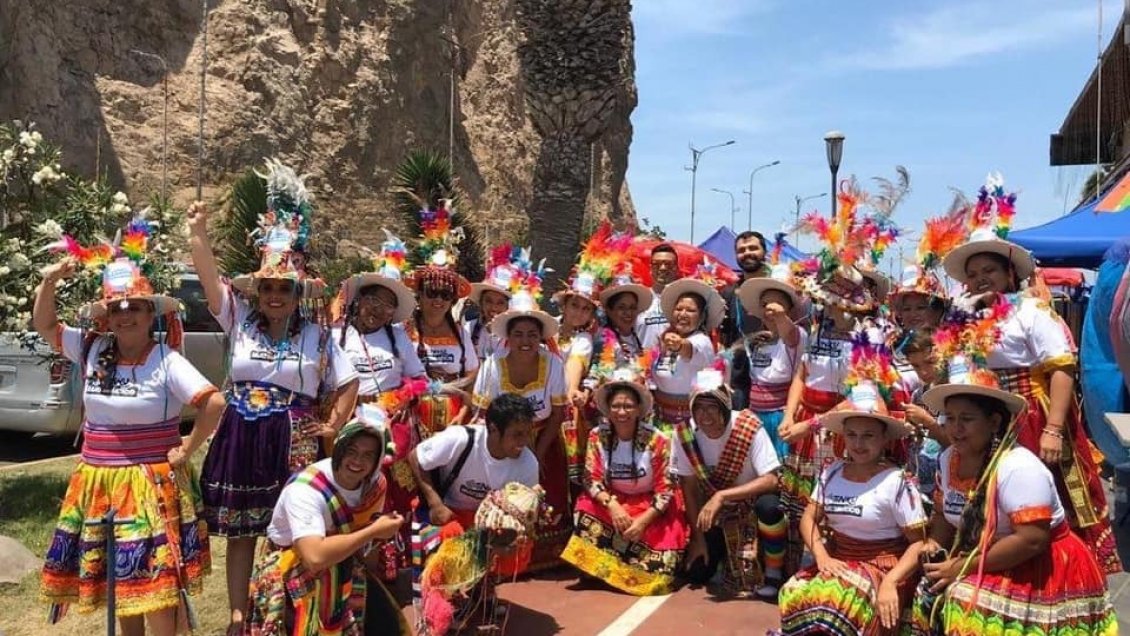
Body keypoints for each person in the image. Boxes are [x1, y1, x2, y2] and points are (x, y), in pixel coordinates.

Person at [187, 163, 360, 634]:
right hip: (241, 435)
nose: (275, 294)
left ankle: (283, 609)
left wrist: (335, 424)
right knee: (242, 531)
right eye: (267, 287)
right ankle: (240, 615)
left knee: (288, 525)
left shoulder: (319, 337)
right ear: (257, 291)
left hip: (294, 439)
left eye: (284, 287)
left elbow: (348, 384)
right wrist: (198, 234)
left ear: (298, 291)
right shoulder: (239, 320)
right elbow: (208, 280)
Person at [36, 220, 227, 636]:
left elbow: (214, 403)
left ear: (149, 314)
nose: (126, 316)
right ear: (107, 317)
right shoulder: (91, 347)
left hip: (149, 484)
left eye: (135, 308)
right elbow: (46, 326)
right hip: (99, 481)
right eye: (117, 309)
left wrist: (187, 448)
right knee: (121, 584)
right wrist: (49, 283)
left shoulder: (166, 359)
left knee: (157, 584)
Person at [941, 175, 1119, 574]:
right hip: (984, 416)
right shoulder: (966, 320)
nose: (981, 278)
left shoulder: (1030, 312)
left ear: (1009, 275)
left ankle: (1065, 573)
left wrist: (1053, 428)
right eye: (973, 273)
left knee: (1047, 493)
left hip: (1031, 414)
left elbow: (1061, 368)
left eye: (990, 269)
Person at [904, 360, 1116, 635]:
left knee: (966, 601)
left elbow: (1031, 540)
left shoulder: (1018, 468)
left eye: (966, 419)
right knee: (926, 593)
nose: (955, 428)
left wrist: (959, 568)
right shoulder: (948, 460)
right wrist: (933, 543)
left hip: (1039, 568)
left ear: (994, 423)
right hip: (986, 557)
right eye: (950, 418)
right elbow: (945, 516)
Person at [245, 405, 408, 635]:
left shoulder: (375, 485)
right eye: (351, 451)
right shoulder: (306, 490)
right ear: (339, 448)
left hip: (344, 565)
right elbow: (314, 557)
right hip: (293, 573)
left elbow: (365, 548)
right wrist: (373, 532)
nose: (357, 461)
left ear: (377, 461)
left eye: (368, 455)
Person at [777, 382, 925, 636]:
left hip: (882, 567)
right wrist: (822, 557)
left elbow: (919, 542)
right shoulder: (832, 472)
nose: (858, 443)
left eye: (868, 435)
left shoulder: (898, 482)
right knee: (792, 592)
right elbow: (808, 519)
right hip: (838, 561)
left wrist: (891, 581)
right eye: (852, 435)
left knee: (836, 604)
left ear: (884, 439)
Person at [332, 230, 426, 590]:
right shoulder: (336, 332)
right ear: (359, 299)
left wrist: (400, 399)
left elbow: (418, 379)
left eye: (388, 305)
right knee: (349, 489)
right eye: (373, 300)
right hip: (347, 419)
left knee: (392, 491)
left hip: (389, 422)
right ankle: (347, 560)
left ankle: (389, 567)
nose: (378, 310)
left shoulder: (397, 337)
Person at [562, 364, 688, 595]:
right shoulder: (597, 437)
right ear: (608, 410)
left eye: (628, 406)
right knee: (583, 507)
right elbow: (590, 479)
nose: (622, 412)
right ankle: (601, 569)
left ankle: (620, 570)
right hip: (615, 505)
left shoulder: (658, 441)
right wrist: (612, 506)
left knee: (660, 573)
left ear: (639, 409)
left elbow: (666, 490)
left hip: (650, 509)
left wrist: (642, 522)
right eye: (616, 406)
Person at [473, 275, 569, 568]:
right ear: (508, 337)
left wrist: (537, 453)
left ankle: (542, 556)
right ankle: (504, 555)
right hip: (502, 443)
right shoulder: (492, 366)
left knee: (548, 497)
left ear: (540, 337)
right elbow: (483, 412)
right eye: (518, 334)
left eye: (531, 334)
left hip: (545, 438)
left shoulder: (553, 363)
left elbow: (557, 414)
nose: (525, 341)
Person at [674, 369, 786, 600]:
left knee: (771, 507)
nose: (705, 415)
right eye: (699, 408)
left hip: (749, 505)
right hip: (715, 512)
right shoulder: (684, 433)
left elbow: (771, 479)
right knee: (696, 573)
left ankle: (774, 572)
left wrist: (723, 496)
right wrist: (698, 539)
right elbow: (689, 488)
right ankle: (722, 553)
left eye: (712, 407)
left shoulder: (747, 425)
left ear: (725, 406)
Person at [408, 394, 541, 575]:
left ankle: (483, 587)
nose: (524, 442)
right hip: (449, 514)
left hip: (489, 524)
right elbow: (415, 457)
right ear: (494, 429)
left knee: (519, 546)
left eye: (527, 433)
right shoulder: (461, 439)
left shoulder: (528, 464)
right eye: (517, 434)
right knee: (451, 536)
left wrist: (505, 539)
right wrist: (435, 504)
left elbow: (522, 515)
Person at [405, 200, 479, 437]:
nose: (438, 300)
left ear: (453, 299)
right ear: (420, 294)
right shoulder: (404, 330)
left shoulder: (461, 334)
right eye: (431, 292)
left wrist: (463, 413)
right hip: (414, 416)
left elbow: (471, 378)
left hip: (455, 416)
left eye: (445, 294)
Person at [734, 260, 806, 459]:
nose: (771, 311)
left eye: (778, 305)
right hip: (755, 415)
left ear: (790, 311)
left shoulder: (797, 337)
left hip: (780, 416)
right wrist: (746, 341)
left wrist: (781, 317)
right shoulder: (758, 341)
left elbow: (789, 334)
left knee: (780, 467)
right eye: (765, 305)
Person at [651, 274, 724, 432]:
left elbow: (687, 348)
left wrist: (678, 345)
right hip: (660, 419)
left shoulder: (701, 341)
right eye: (679, 309)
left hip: (688, 423)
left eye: (690, 310)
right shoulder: (663, 340)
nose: (683, 314)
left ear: (702, 317)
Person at [637, 243, 680, 350]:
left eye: (669, 264)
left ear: (676, 268)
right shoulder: (639, 298)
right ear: (650, 268)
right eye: (657, 264)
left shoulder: (685, 301)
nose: (663, 268)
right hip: (642, 364)